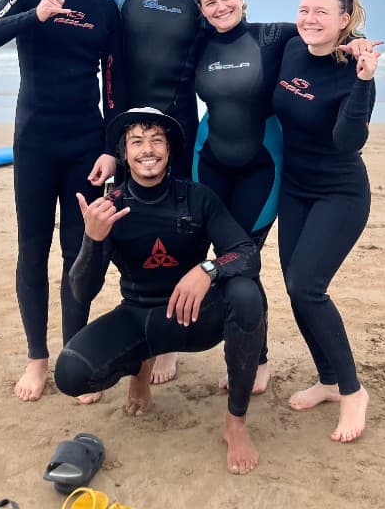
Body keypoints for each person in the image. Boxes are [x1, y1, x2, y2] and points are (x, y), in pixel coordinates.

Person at [0, 0, 126, 403]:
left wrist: (110, 148)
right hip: (34, 141)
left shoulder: (105, 11)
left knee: (78, 251)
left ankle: (73, 355)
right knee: (32, 248)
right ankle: (37, 357)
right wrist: (33, 16)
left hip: (83, 145)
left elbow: (113, 85)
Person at [53, 108, 265, 475]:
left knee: (247, 295)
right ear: (124, 153)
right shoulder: (110, 208)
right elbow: (81, 291)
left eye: (156, 140)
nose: (147, 149)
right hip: (139, 317)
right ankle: (140, 368)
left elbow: (245, 253)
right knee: (70, 374)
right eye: (136, 141)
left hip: (194, 318)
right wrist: (92, 239)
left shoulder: (197, 197)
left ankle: (235, 424)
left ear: (169, 150)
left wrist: (208, 269)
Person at [193, 0, 376, 396]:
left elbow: (349, 138)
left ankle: (341, 388)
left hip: (307, 181)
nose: (220, 8)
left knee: (285, 278)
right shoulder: (276, 46)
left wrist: (362, 57)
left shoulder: (315, 53)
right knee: (280, 280)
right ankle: (313, 375)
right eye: (210, 3)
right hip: (261, 177)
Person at [272, 0, 379, 443]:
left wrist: (362, 82)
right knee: (295, 289)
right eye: (303, 10)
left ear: (344, 21)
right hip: (295, 189)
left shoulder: (355, 73)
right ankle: (329, 381)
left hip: (340, 192)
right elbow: (231, 20)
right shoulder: (291, 45)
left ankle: (354, 392)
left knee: (307, 287)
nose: (309, 19)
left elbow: (347, 141)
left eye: (321, 12)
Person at [104, 0, 204, 385]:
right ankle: (135, 328)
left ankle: (169, 339)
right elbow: (102, 52)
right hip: (129, 132)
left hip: (179, 131)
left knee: (177, 231)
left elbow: (240, 34)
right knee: (131, 230)